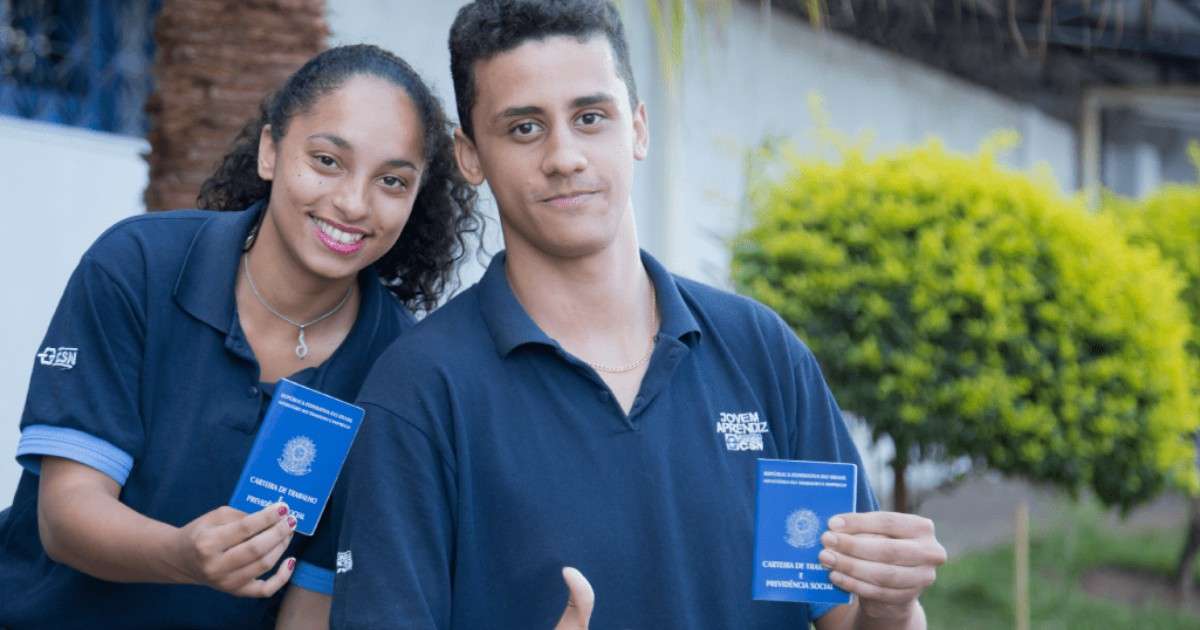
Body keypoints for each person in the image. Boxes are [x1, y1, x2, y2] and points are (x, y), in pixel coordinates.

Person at [328, 2, 947, 628]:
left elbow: (846, 618)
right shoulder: (419, 390)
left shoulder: (761, 352)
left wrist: (891, 607)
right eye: (524, 128)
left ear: (639, 129)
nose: (564, 156)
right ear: (471, 157)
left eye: (590, 118)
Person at [0, 44, 479, 629]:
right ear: (271, 150)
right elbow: (65, 517)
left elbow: (313, 600)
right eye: (327, 160)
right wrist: (181, 555)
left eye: (392, 181)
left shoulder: (397, 367)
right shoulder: (139, 266)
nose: (354, 203)